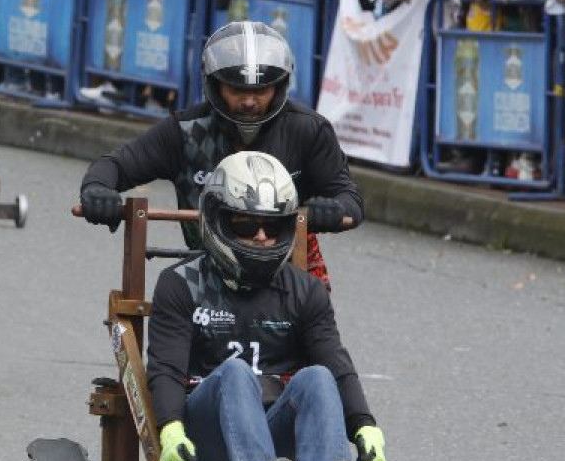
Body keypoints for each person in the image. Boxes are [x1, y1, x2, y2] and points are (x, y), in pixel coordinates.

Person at [147, 151, 387, 461]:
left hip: (279, 453)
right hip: (206, 439)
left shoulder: (306, 291)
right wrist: (170, 426)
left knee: (318, 376)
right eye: (246, 224)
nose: (261, 236)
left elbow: (335, 361)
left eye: (272, 226)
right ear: (217, 220)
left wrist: (364, 424)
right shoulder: (181, 284)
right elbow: (166, 368)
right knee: (235, 371)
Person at [78, 21, 363, 289]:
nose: (250, 101)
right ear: (215, 85)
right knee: (169, 304)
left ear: (279, 85)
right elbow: (115, 164)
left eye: (261, 90)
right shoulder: (185, 132)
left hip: (286, 279)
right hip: (207, 280)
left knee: (320, 337)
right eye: (237, 89)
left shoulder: (308, 131)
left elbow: (350, 200)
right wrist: (97, 189)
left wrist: (333, 210)